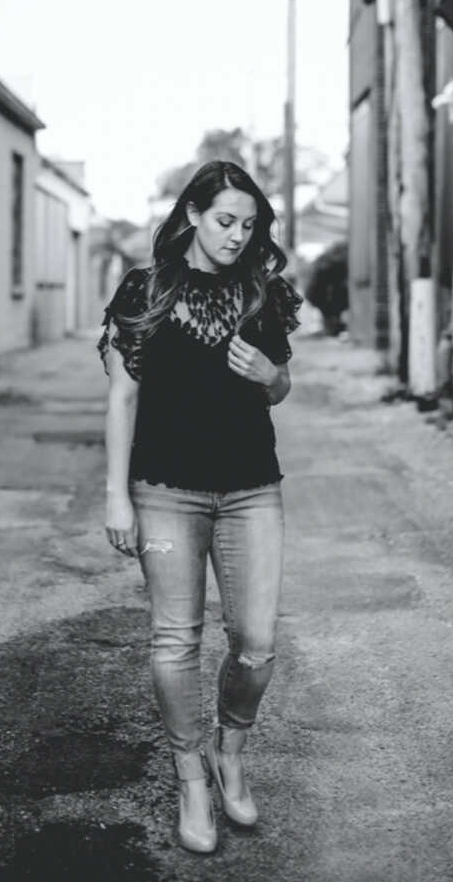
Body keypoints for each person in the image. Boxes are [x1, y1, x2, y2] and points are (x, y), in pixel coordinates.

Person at [98, 159, 302, 854]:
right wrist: (116, 497)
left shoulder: (262, 294)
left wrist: (270, 375)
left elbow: (280, 387)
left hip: (251, 489)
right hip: (164, 491)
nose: (238, 235)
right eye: (224, 220)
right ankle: (190, 774)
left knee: (257, 643)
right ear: (191, 214)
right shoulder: (144, 290)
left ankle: (230, 753)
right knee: (174, 639)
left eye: (249, 224)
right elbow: (122, 397)